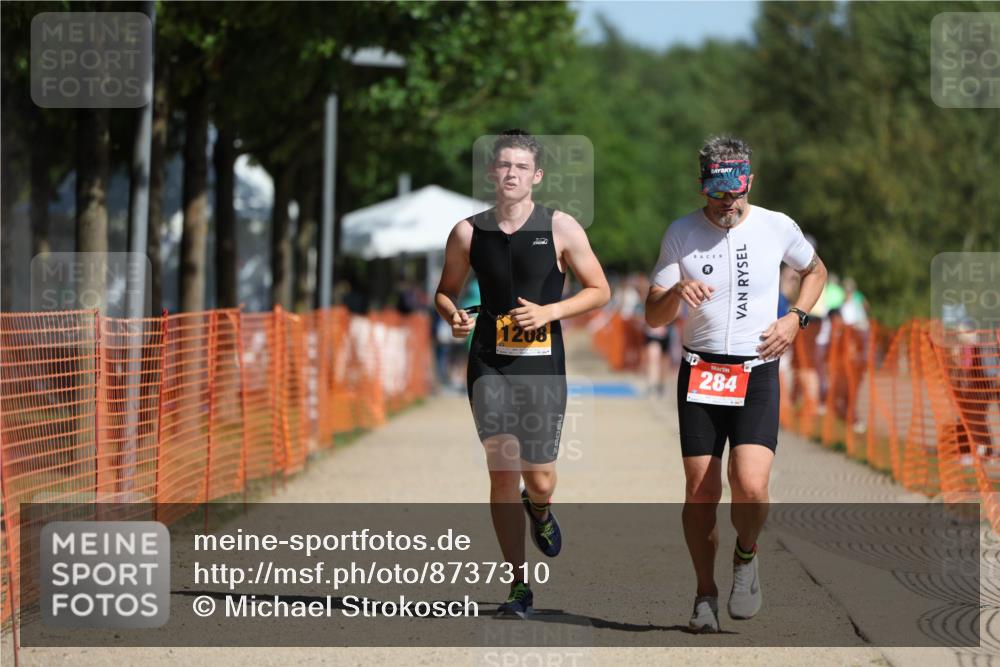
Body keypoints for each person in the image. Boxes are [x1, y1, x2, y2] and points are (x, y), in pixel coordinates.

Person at [644, 136, 827, 633]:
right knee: (701, 492)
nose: (729, 203)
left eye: (737, 192)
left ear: (749, 182)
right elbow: (653, 315)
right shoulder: (681, 233)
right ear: (702, 187)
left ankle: (747, 555)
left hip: (756, 368)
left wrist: (796, 318)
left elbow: (815, 270)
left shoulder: (776, 226)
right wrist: (676, 291)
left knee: (750, 484)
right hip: (701, 372)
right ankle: (704, 594)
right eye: (719, 194)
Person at [434, 130, 610, 618]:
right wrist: (453, 315)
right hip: (488, 363)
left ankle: (541, 507)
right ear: (492, 173)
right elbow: (445, 291)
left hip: (541, 366)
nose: (510, 174)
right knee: (500, 472)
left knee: (541, 475)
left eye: (520, 167)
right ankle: (518, 585)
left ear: (537, 176)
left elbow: (599, 290)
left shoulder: (561, 227)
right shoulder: (468, 232)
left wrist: (550, 313)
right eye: (503, 166)